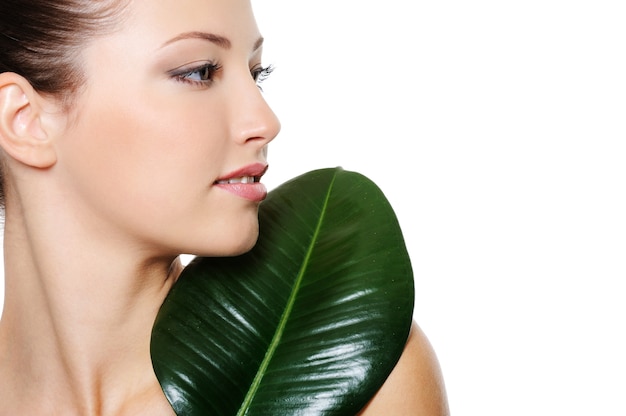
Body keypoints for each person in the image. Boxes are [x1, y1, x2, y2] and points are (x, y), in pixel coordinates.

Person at [0, 0, 449, 414]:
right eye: (198, 72)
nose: (266, 122)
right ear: (25, 121)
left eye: (257, 72)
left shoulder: (354, 368)